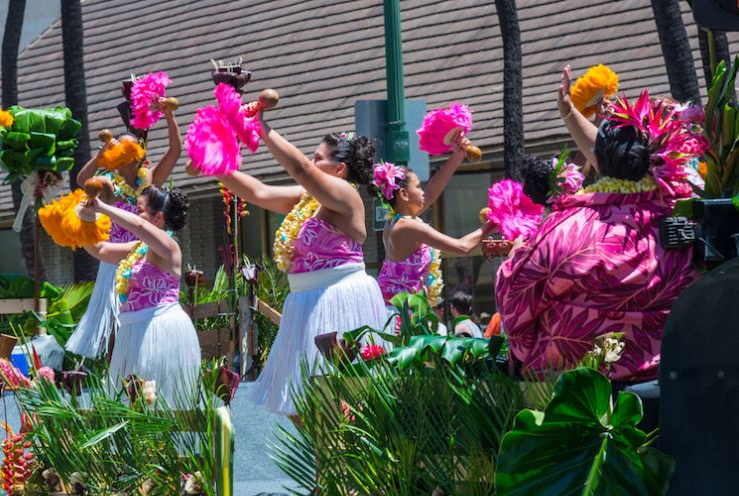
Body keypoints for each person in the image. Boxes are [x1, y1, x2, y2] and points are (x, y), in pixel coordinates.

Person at [495, 66, 701, 383]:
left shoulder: (563, 229)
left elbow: (515, 306)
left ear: (600, 162)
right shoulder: (693, 216)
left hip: (578, 389)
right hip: (681, 378)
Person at [218, 124, 388, 417]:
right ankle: (332, 457)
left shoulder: (346, 196)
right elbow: (259, 191)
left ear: (340, 169)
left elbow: (299, 168)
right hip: (304, 302)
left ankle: (343, 457)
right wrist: (217, 166)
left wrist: (262, 128)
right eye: (312, 157)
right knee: (300, 406)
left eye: (318, 158)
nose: (311, 163)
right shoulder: (308, 199)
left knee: (337, 398)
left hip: (337, 298)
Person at [66, 100, 182, 361]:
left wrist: (169, 116)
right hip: (116, 261)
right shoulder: (108, 184)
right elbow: (83, 181)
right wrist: (100, 155)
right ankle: (117, 382)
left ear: (138, 154)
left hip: (147, 258)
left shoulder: (148, 181)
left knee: (146, 322)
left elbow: (175, 150)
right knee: (116, 329)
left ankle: (144, 376)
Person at [78, 183, 200, 407]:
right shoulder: (139, 247)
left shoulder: (169, 247)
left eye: (141, 209)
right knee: (133, 404)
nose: (136, 213)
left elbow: (136, 225)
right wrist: (83, 219)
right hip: (132, 333)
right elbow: (101, 250)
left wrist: (102, 207)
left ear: (158, 218)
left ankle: (161, 442)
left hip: (158, 330)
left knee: (153, 403)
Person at [370, 138, 496, 314]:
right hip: (402, 316)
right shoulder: (408, 226)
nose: (423, 191)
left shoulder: (395, 221)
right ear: (405, 194)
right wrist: (496, 221)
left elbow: (431, 192)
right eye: (418, 186)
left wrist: (457, 156)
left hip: (395, 309)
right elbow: (463, 247)